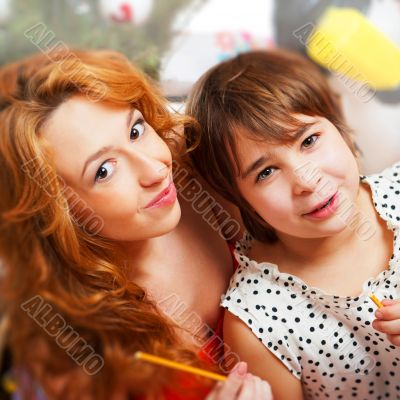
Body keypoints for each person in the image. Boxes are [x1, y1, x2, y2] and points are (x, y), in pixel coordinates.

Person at [0, 49, 272, 399]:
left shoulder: (197, 173)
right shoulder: (65, 347)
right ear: (57, 213)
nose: (155, 169)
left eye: (135, 130)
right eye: (104, 171)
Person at [185, 49, 400, 399]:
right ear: (238, 197)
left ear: (338, 124)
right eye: (266, 172)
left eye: (309, 140)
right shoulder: (258, 321)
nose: (307, 180)